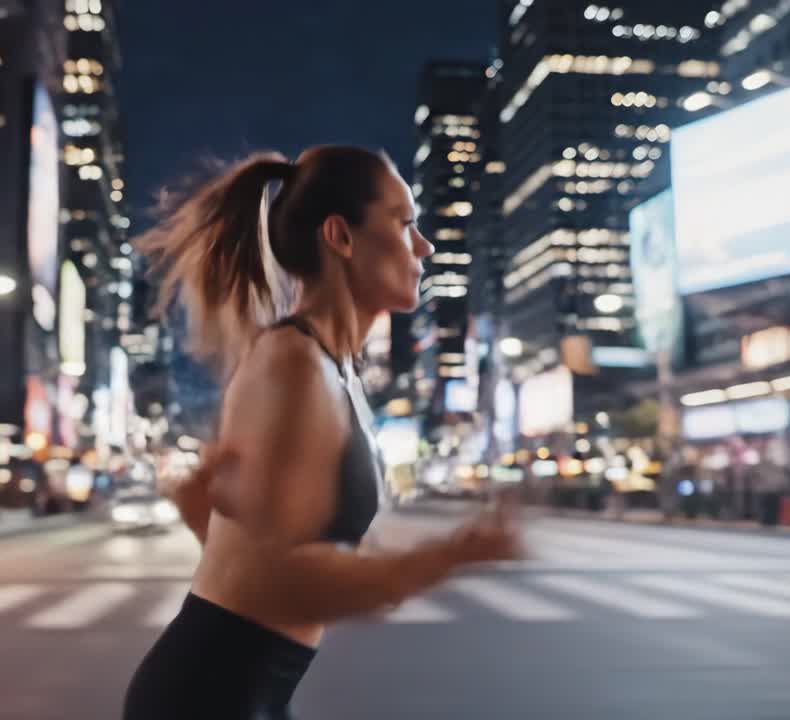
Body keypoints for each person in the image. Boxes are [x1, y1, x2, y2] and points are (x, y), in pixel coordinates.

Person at [123, 146, 522, 720]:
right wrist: (448, 557)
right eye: (405, 223)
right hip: (209, 697)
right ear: (341, 236)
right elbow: (279, 584)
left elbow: (258, 551)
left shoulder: (336, 369)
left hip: (250, 688)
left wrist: (208, 515)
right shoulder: (294, 365)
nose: (424, 246)